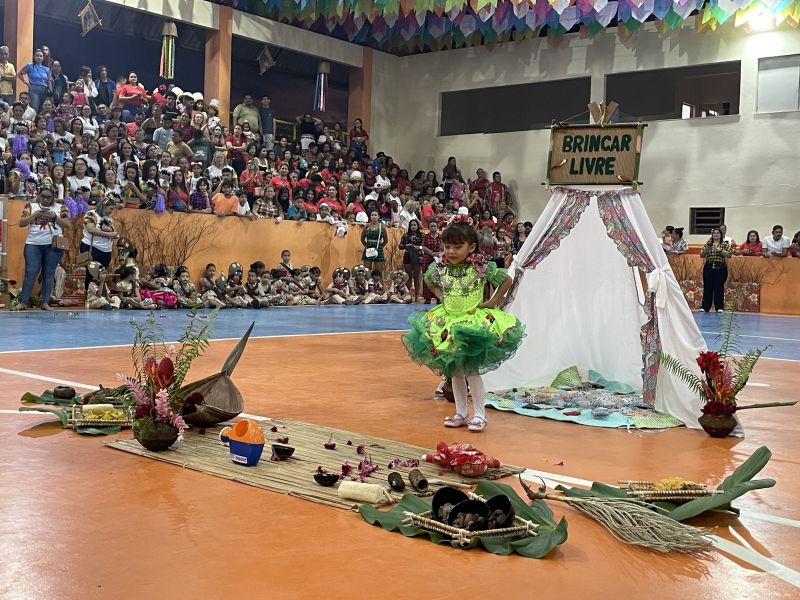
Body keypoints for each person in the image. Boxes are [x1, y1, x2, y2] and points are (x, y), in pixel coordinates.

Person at [401, 217, 524, 432]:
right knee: (455, 372)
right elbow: (429, 279)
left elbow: (506, 280)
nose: (451, 251)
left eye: (457, 247)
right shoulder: (441, 267)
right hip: (447, 323)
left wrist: (492, 302)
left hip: (471, 325)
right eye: (447, 246)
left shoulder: (480, 268)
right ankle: (460, 413)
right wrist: (441, 296)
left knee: (471, 372)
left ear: (471, 247)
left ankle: (480, 415)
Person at [13, 186, 71, 311]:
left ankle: (45, 302)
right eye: (43, 196)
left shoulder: (61, 208)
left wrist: (55, 217)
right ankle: (23, 302)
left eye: (49, 197)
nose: (45, 199)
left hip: (53, 245)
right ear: (39, 195)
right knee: (31, 273)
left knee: (49, 274)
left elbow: (67, 224)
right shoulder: (30, 206)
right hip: (33, 243)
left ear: (53, 197)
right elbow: (22, 223)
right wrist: (35, 215)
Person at [699, 228, 731, 313]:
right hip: (709, 266)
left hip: (720, 267)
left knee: (719, 287)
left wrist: (719, 250)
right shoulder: (708, 244)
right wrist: (707, 249)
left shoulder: (724, 244)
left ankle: (719, 307)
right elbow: (701, 255)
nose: (716, 234)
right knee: (707, 286)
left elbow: (729, 255)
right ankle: (705, 307)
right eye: (714, 233)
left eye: (718, 233)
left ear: (721, 235)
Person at [81, 199, 117, 267]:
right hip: (93, 248)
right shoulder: (90, 214)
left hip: (106, 250)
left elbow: (113, 231)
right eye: (111, 209)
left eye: (113, 209)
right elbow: (91, 230)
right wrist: (109, 234)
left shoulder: (108, 217)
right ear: (104, 206)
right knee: (91, 271)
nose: (112, 211)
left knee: (103, 272)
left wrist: (115, 235)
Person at [399, 219, 424, 301]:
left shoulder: (422, 235)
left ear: (417, 226)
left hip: (418, 256)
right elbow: (400, 246)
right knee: (408, 276)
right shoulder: (406, 235)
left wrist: (418, 247)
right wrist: (406, 246)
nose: (413, 226)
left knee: (416, 277)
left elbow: (424, 246)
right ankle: (408, 296)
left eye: (415, 225)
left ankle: (417, 296)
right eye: (411, 225)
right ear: (409, 226)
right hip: (407, 256)